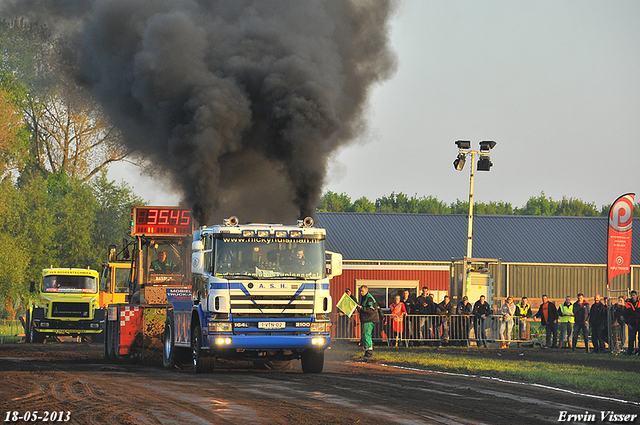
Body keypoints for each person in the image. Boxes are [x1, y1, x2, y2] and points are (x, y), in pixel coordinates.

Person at [356, 285, 379, 358]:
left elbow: (371, 309)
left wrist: (362, 308)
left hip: (369, 319)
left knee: (367, 335)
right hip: (365, 319)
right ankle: (366, 352)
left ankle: (369, 353)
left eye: (362, 291)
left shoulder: (369, 298)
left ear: (366, 290)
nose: (361, 292)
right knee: (364, 336)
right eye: (360, 291)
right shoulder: (364, 298)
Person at [624, 290, 640, 355]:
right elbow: (625, 315)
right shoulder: (628, 304)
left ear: (636, 295)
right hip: (632, 324)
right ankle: (629, 352)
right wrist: (628, 323)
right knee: (631, 338)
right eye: (632, 295)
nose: (633, 296)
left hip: (639, 323)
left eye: (634, 295)